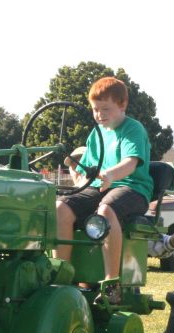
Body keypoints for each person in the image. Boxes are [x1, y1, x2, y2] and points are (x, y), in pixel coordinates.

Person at [56, 76, 154, 305]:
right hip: (101, 187)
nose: (99, 115)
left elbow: (131, 162)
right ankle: (63, 277)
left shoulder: (132, 129)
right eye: (95, 109)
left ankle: (112, 284)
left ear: (122, 105)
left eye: (105, 109)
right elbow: (88, 171)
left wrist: (110, 175)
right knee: (60, 207)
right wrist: (78, 176)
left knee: (106, 211)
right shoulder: (96, 134)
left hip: (133, 188)